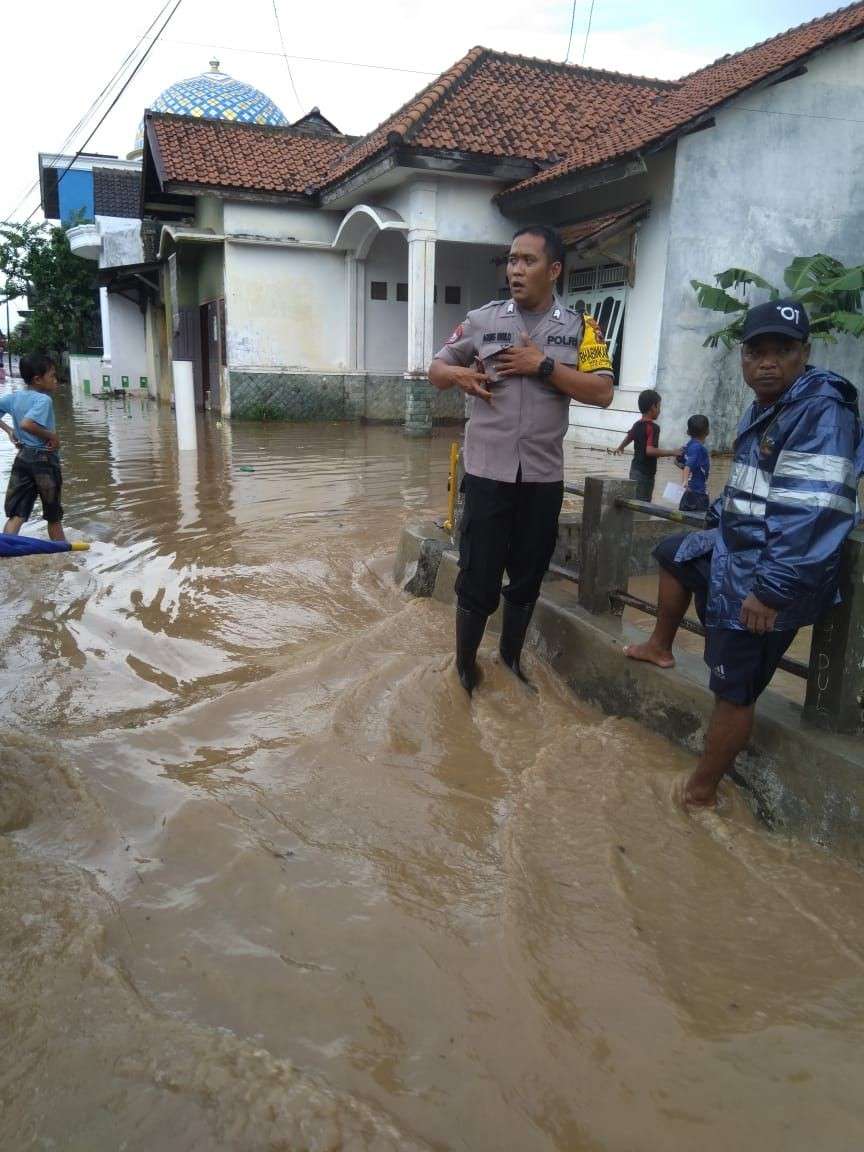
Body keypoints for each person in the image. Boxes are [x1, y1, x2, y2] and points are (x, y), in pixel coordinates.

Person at [625, 299, 861, 807]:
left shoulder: (820, 412)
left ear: (804, 354)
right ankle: (662, 646)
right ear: (744, 358)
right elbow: (751, 487)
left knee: (734, 689)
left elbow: (811, 514)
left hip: (774, 576)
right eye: (758, 351)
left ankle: (700, 793)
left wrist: (771, 591)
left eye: (784, 350)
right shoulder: (768, 406)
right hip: (741, 550)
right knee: (674, 552)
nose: (768, 361)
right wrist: (717, 521)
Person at [429, 225, 614, 695]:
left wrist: (545, 366)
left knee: (528, 578)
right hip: (488, 476)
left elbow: (603, 392)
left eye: (527, 261)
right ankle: (466, 668)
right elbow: (434, 369)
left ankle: (510, 659)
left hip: (541, 479)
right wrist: (457, 375)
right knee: (478, 579)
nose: (515, 269)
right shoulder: (481, 320)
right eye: (512, 260)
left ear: (553, 270)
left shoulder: (582, 329)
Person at [0, 352, 66, 543]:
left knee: (17, 514)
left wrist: (8, 430)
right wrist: (52, 436)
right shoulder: (43, 400)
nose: (56, 380)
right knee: (53, 516)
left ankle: (5, 550)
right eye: (52, 376)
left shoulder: (13, 398)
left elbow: (21, 426)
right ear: (38, 379)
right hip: (44, 461)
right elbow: (27, 424)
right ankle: (63, 557)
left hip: (22, 459)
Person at [613, 390, 680, 502]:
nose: (660, 410)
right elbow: (650, 451)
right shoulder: (653, 428)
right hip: (646, 474)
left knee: (634, 500)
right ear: (653, 407)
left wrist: (621, 447)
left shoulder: (637, 424)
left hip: (634, 470)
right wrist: (672, 452)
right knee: (643, 504)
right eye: (659, 407)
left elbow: (630, 436)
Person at [676, 414, 711, 513]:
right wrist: (685, 482)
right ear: (707, 431)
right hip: (697, 494)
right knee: (699, 523)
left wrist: (686, 477)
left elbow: (677, 461)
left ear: (688, 432)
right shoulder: (698, 448)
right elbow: (688, 465)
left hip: (687, 493)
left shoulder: (687, 446)